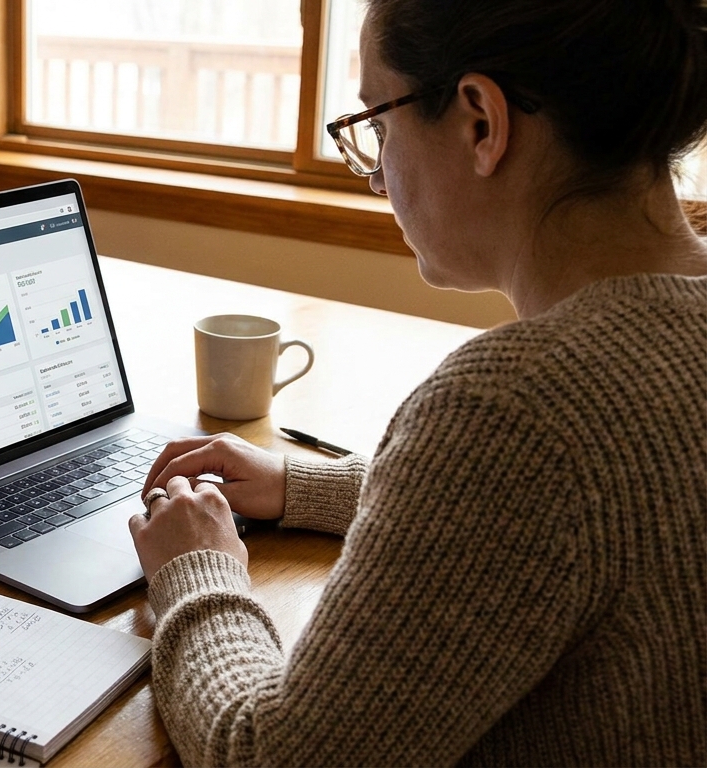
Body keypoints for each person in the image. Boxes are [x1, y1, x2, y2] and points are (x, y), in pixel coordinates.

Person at [128, 0, 707, 765]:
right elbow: (609, 508)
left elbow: (272, 757)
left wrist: (193, 570)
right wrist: (310, 487)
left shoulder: (513, 408)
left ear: (480, 123)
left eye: (378, 121)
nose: (375, 178)